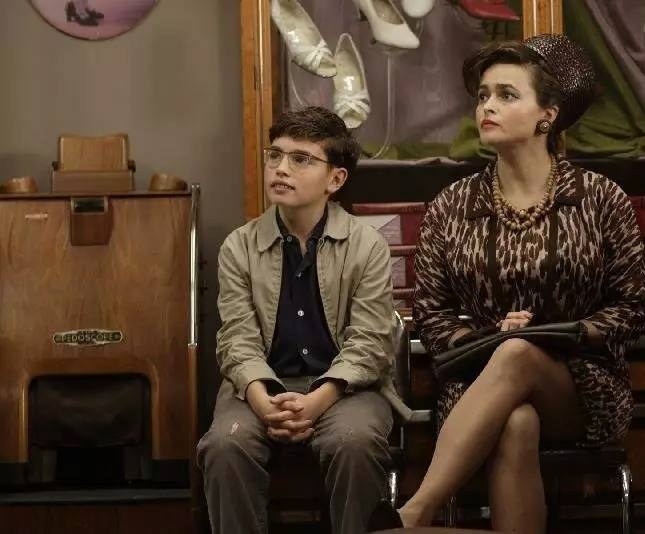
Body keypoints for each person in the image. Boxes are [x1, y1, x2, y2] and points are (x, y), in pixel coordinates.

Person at [368, 34, 645, 533]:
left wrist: (551, 336)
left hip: (583, 385)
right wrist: (488, 338)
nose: (487, 106)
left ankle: (414, 513)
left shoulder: (601, 198)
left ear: (547, 116)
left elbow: (632, 308)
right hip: (477, 381)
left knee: (518, 354)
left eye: (506, 95)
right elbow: (431, 312)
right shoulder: (452, 205)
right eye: (483, 96)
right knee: (517, 421)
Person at [197, 106, 399, 534]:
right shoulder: (239, 246)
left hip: (345, 390)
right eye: (275, 155)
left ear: (335, 180)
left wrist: (317, 401)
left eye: (301, 159)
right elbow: (236, 341)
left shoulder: (367, 245)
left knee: (355, 443)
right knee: (224, 445)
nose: (281, 168)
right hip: (260, 387)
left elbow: (370, 344)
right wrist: (261, 400)